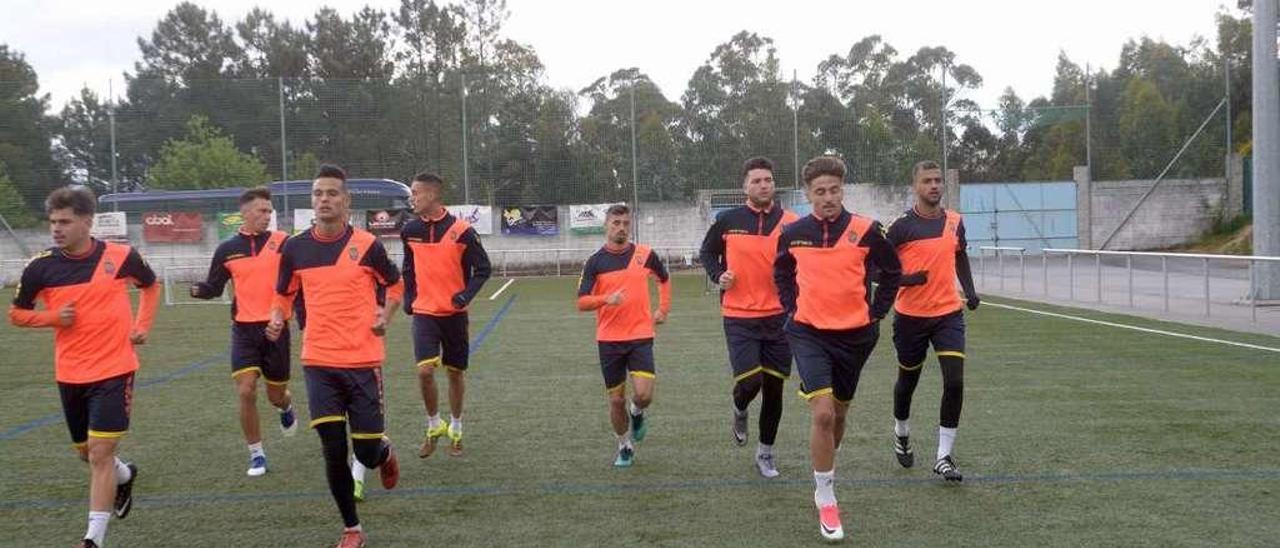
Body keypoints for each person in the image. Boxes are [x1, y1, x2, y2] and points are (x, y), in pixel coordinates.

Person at [9, 186, 159, 548]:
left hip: (115, 368)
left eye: (65, 221)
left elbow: (151, 286)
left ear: (87, 222)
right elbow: (16, 313)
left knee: (100, 452)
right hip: (71, 373)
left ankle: (93, 540)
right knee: (85, 452)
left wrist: (141, 326)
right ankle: (125, 477)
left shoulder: (121, 255)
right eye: (53, 222)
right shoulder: (40, 267)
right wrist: (53, 318)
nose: (56, 229)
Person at [267, 164, 402, 548]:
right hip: (319, 361)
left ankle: (384, 451)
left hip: (362, 360)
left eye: (331, 193)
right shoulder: (294, 247)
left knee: (366, 449)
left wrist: (385, 316)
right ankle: (352, 528)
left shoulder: (368, 246)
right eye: (317, 194)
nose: (323, 199)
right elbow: (283, 294)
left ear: (346, 200)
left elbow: (396, 286)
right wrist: (277, 317)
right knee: (332, 447)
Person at [774, 156, 901, 541]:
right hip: (808, 332)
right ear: (807, 194)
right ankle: (826, 495)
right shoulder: (794, 232)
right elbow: (782, 272)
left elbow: (892, 272)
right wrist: (792, 307)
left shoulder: (866, 230)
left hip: (856, 337)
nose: (827, 197)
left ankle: (825, 467)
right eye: (819, 192)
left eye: (834, 190)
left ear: (842, 190)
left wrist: (876, 312)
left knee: (839, 415)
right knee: (824, 414)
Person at [699, 156, 799, 478]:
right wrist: (718, 275)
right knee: (750, 381)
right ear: (745, 186)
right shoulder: (728, 219)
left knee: (774, 389)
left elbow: (802, 263)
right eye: (756, 180)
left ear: (774, 184)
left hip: (779, 317)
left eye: (768, 180)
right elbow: (707, 252)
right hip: (739, 315)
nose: (763, 185)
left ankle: (765, 454)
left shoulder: (792, 222)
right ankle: (739, 407)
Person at [190, 187, 298, 477]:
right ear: (245, 213)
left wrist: (285, 317)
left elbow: (295, 285)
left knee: (275, 396)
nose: (267, 216)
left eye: (269, 211)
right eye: (262, 211)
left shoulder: (285, 243)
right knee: (246, 390)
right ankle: (257, 454)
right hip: (243, 330)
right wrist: (198, 290)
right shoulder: (227, 249)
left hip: (276, 329)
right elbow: (214, 287)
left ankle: (286, 405)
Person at [885, 160, 980, 482]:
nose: (935, 185)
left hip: (948, 315)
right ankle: (901, 432)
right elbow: (878, 271)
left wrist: (970, 290)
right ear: (916, 186)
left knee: (954, 381)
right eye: (927, 180)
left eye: (938, 180)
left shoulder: (954, 221)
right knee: (907, 382)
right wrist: (908, 279)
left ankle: (943, 456)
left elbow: (959, 254)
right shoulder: (900, 227)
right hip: (910, 318)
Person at [400, 172, 491, 459]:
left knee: (455, 373)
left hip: (454, 315)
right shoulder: (409, 230)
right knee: (425, 371)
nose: (411, 197)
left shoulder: (462, 231)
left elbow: (483, 269)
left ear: (433, 195)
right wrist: (409, 296)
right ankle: (433, 425)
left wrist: (465, 295)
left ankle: (456, 427)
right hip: (425, 313)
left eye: (416, 192)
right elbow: (408, 267)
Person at [576, 204, 671, 468]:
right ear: (606, 225)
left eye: (626, 223)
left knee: (643, 395)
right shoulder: (595, 262)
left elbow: (663, 279)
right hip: (609, 340)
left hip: (640, 334)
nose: (621, 227)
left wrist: (662, 309)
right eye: (616, 222)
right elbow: (581, 302)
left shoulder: (645, 254)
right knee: (616, 399)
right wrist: (607, 298)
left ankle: (637, 412)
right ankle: (624, 446)